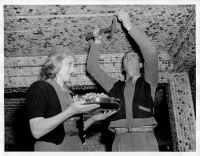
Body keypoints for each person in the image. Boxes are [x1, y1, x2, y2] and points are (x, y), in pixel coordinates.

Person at [87, 11, 159, 151]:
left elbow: (151, 52)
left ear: (141, 64)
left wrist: (128, 25)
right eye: (125, 58)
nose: (128, 58)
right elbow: (92, 69)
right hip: (119, 141)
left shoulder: (150, 82)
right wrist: (97, 42)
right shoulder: (114, 85)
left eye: (133, 56)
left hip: (145, 138)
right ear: (123, 67)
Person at [26, 45, 116, 151]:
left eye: (74, 65)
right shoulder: (39, 88)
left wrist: (94, 118)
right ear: (56, 64)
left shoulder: (71, 93)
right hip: (52, 148)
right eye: (70, 64)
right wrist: (71, 111)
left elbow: (75, 130)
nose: (73, 70)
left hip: (76, 147)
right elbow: (36, 131)